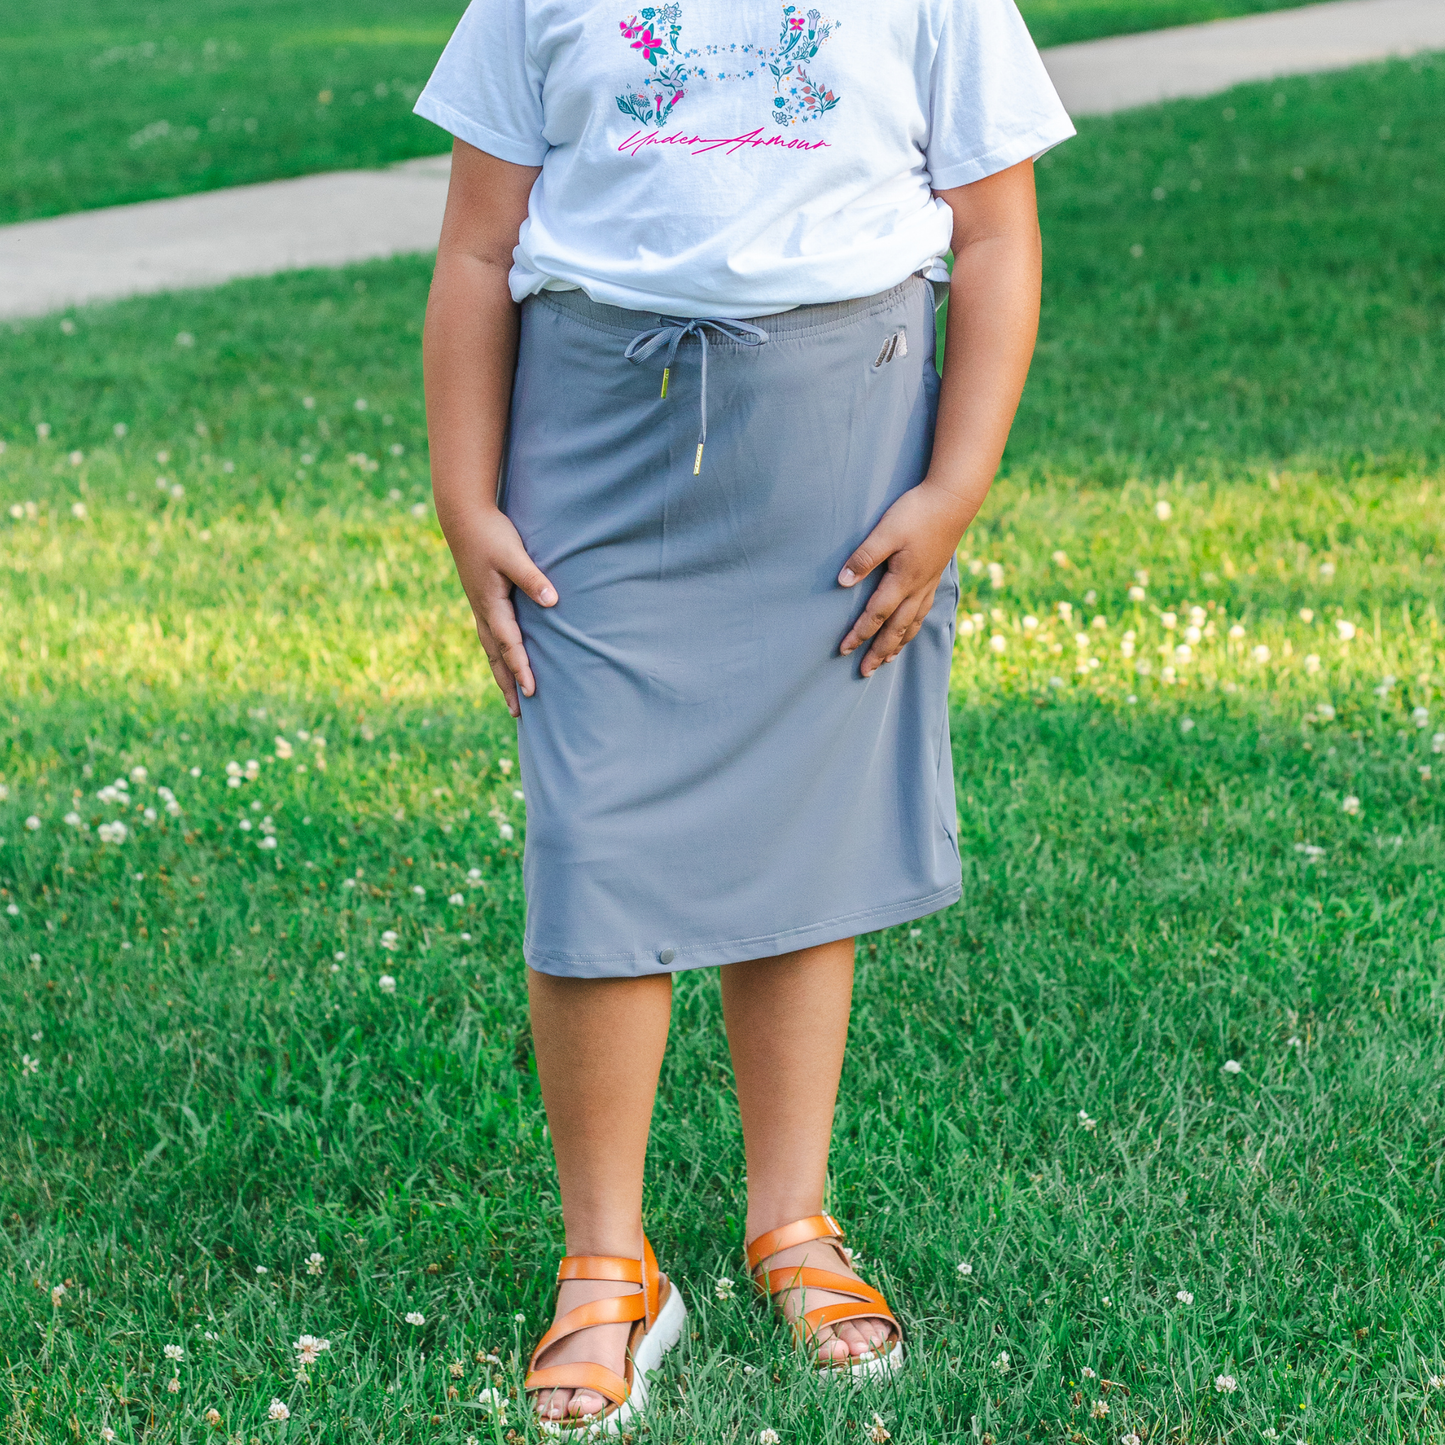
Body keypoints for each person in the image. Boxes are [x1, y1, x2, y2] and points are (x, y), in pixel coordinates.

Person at [415, 0, 1072, 1428]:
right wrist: (467, 504)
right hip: (593, 446)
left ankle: (793, 1222)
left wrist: (951, 491)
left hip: (842, 453)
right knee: (594, 839)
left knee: (801, 840)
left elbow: (998, 234)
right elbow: (475, 246)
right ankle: (608, 1264)